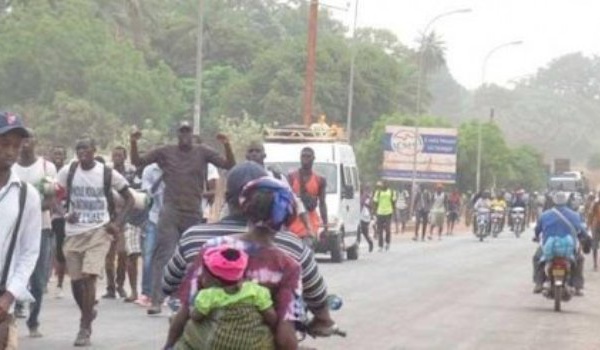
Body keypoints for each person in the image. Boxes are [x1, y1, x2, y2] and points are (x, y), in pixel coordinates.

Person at [162, 162, 336, 337]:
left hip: (203, 340)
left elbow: (168, 283)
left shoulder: (196, 238)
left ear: (229, 197)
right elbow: (316, 295)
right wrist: (323, 319)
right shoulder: (292, 246)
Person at [166, 176, 303, 350]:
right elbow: (285, 333)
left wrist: (168, 345)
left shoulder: (212, 248)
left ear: (246, 208)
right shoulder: (288, 266)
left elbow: (186, 310)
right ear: (285, 218)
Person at [130, 121, 235, 315]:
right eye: (182, 131)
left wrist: (227, 144)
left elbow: (229, 165)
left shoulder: (202, 151)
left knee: (194, 257)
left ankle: (190, 299)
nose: (185, 135)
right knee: (163, 255)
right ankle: (156, 299)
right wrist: (133, 142)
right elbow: (138, 162)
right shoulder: (166, 152)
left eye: (188, 131)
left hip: (193, 212)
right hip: (171, 211)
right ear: (177, 134)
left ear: (192, 133)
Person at [57, 137, 134, 346]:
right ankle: (88, 312)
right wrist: (65, 213)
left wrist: (116, 223)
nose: (82, 152)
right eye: (78, 148)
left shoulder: (107, 173)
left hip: (99, 231)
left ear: (94, 150)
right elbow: (55, 196)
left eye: (86, 148)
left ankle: (84, 329)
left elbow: (130, 199)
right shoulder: (68, 171)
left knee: (89, 276)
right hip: (74, 232)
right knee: (75, 283)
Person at [176, 246, 278, 350]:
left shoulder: (208, 295)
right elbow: (271, 316)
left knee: (188, 327)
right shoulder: (257, 291)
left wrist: (194, 308)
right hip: (253, 344)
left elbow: (196, 317)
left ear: (214, 280)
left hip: (216, 344)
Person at [0, 112, 41, 349]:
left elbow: (29, 252)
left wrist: (9, 297)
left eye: (16, 146)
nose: (10, 151)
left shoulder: (27, 196)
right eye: (5, 144)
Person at [11, 130, 57, 338]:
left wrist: (25, 209)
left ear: (35, 142)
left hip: (40, 228)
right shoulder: (10, 168)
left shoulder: (47, 168)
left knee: (38, 281)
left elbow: (49, 200)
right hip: (12, 231)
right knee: (10, 275)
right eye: (23, 140)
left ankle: (33, 320)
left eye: (29, 139)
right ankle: (11, 315)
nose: (26, 144)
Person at [245, 141, 313, 236]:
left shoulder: (276, 177)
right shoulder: (241, 177)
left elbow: (295, 201)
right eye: (251, 151)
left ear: (264, 155)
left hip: (273, 232)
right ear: (246, 156)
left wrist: (308, 227)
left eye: (257, 151)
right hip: (245, 230)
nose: (254, 154)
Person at [532, 191, 590, 296]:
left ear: (554, 201)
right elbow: (581, 230)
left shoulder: (545, 215)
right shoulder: (574, 215)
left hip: (548, 246)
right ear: (567, 201)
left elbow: (537, 229)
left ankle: (539, 283)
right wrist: (585, 237)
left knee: (537, 258)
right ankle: (578, 287)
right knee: (579, 259)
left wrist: (536, 237)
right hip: (568, 247)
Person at [102, 146, 134, 300]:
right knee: (109, 256)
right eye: (114, 155)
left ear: (125, 157)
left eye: (120, 155)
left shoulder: (131, 174)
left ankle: (120, 285)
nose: (117, 158)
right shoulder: (107, 174)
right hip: (109, 218)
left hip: (125, 219)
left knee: (122, 254)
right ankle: (110, 287)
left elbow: (133, 196)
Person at [136, 161, 164, 307]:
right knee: (148, 256)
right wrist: (162, 176)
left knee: (169, 257)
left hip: (171, 218)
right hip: (153, 217)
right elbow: (148, 194)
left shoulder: (177, 166)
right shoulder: (149, 170)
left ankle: (164, 294)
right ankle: (146, 293)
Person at [287, 147, 328, 243]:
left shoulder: (320, 179)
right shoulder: (292, 177)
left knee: (308, 248)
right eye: (303, 156)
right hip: (294, 223)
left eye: (308, 156)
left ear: (313, 158)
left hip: (311, 224)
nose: (305, 159)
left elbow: (322, 204)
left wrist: (325, 227)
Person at [49, 145, 68, 299]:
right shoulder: (48, 172)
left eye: (60, 153)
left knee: (61, 250)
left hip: (63, 216)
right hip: (47, 216)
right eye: (56, 153)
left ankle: (60, 284)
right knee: (49, 249)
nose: (58, 156)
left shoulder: (69, 172)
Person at [372, 180, 397, 251]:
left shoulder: (391, 192)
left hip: (388, 212)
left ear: (388, 185)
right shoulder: (378, 192)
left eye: (385, 184)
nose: (384, 185)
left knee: (387, 229)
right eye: (383, 184)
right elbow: (375, 202)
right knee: (380, 230)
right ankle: (380, 246)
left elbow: (393, 202)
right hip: (380, 213)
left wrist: (394, 213)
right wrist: (374, 213)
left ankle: (387, 243)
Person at [358, 186, 374, 252]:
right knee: (358, 231)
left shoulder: (367, 197)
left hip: (365, 216)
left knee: (364, 232)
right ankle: (356, 246)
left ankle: (370, 242)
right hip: (359, 216)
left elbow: (371, 206)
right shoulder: (359, 197)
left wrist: (365, 204)